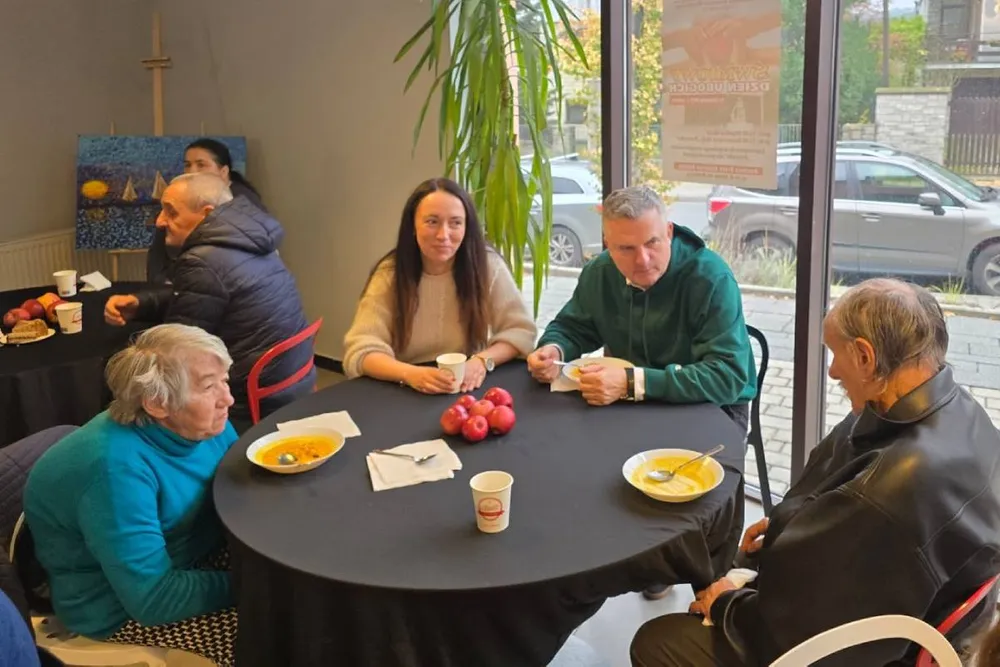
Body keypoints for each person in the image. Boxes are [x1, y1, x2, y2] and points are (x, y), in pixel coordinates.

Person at [630, 279, 1000, 667]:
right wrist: (789, 524)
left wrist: (725, 603)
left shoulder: (890, 491)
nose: (833, 371)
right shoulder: (963, 413)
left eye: (835, 354)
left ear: (865, 356)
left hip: (873, 649)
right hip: (928, 617)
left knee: (657, 640)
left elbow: (797, 634)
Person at [527, 185, 756, 599]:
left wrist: (633, 383)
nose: (642, 260)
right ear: (607, 246)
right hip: (632, 399)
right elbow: (574, 326)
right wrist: (554, 348)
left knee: (692, 491)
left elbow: (728, 375)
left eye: (652, 242)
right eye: (625, 249)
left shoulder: (710, 277)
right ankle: (628, 559)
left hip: (712, 407)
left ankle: (709, 577)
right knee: (572, 454)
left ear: (668, 231)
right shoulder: (600, 273)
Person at [23, 324, 239, 667]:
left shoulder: (207, 424)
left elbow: (234, 492)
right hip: (118, 606)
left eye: (224, 380)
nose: (227, 398)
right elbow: (154, 599)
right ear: (157, 403)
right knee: (271, 634)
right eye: (210, 386)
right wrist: (256, 583)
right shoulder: (115, 471)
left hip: (192, 555)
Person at [104, 172, 313, 433]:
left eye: (170, 212)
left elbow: (179, 347)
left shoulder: (204, 259)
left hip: (250, 392)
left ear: (205, 214)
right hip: (292, 375)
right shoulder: (253, 240)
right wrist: (142, 303)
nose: (159, 222)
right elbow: (212, 295)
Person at [343, 178, 536, 392]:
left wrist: (482, 361)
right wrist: (410, 374)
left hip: (468, 386)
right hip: (405, 388)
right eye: (432, 222)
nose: (443, 235)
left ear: (466, 227)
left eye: (455, 223)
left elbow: (521, 331)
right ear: (413, 226)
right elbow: (361, 349)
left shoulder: (488, 266)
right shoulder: (390, 274)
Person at [147, 138, 266, 284]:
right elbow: (158, 253)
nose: (192, 171)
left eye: (201, 165)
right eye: (187, 165)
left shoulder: (244, 205)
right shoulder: (184, 196)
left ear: (223, 171)